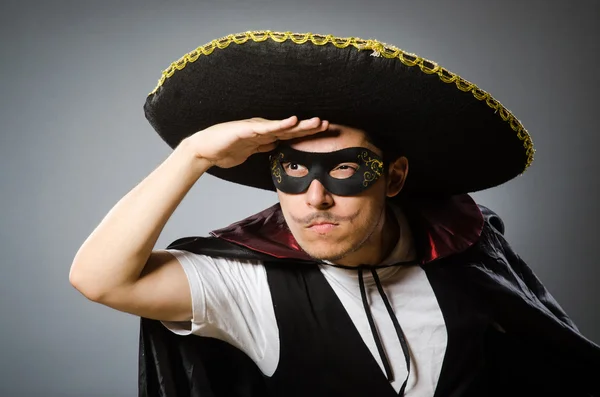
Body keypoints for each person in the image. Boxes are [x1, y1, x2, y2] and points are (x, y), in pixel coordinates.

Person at [69, 31, 600, 396]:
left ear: (393, 177)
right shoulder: (248, 289)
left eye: (345, 171)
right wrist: (193, 156)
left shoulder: (465, 248)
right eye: (293, 173)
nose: (315, 198)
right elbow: (100, 280)